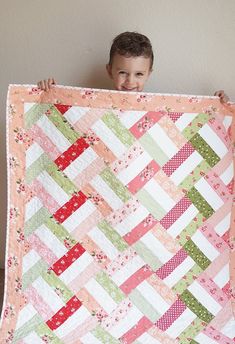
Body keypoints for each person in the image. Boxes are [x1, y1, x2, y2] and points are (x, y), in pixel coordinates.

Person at [37, 31, 229, 102]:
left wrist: (217, 105)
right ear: (109, 71)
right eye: (122, 72)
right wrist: (49, 92)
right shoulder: (93, 105)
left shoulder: (160, 108)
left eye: (138, 74)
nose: (130, 81)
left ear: (149, 74)